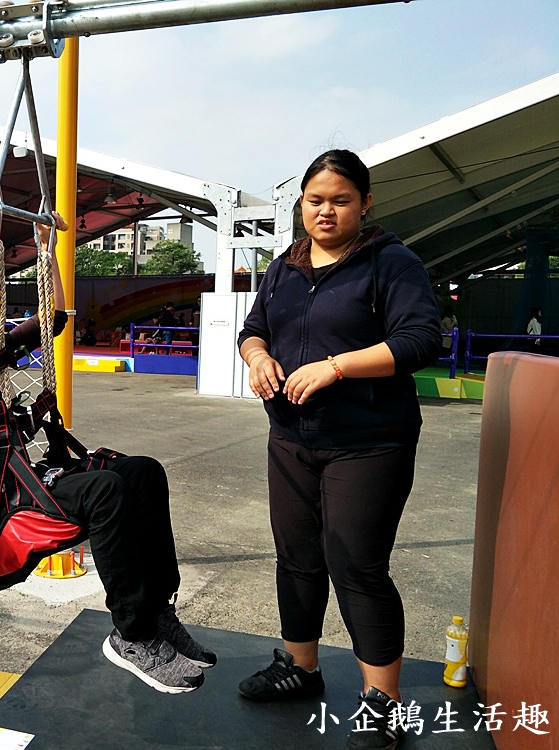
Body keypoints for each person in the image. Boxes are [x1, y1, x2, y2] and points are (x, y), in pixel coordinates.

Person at [0, 187, 214, 694]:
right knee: (104, 491)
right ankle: (131, 635)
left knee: (143, 472)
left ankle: (158, 612)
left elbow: (55, 319)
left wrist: (47, 249)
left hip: (15, 481)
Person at [236, 150, 440, 750]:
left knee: (356, 564)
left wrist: (336, 367)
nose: (326, 211)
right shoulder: (284, 266)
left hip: (370, 441)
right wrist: (257, 358)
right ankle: (301, 667)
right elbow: (255, 327)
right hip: (292, 437)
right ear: (301, 204)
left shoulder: (391, 262)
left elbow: (421, 339)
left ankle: (385, 703)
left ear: (366, 204)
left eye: (340, 200)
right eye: (315, 200)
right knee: (296, 554)